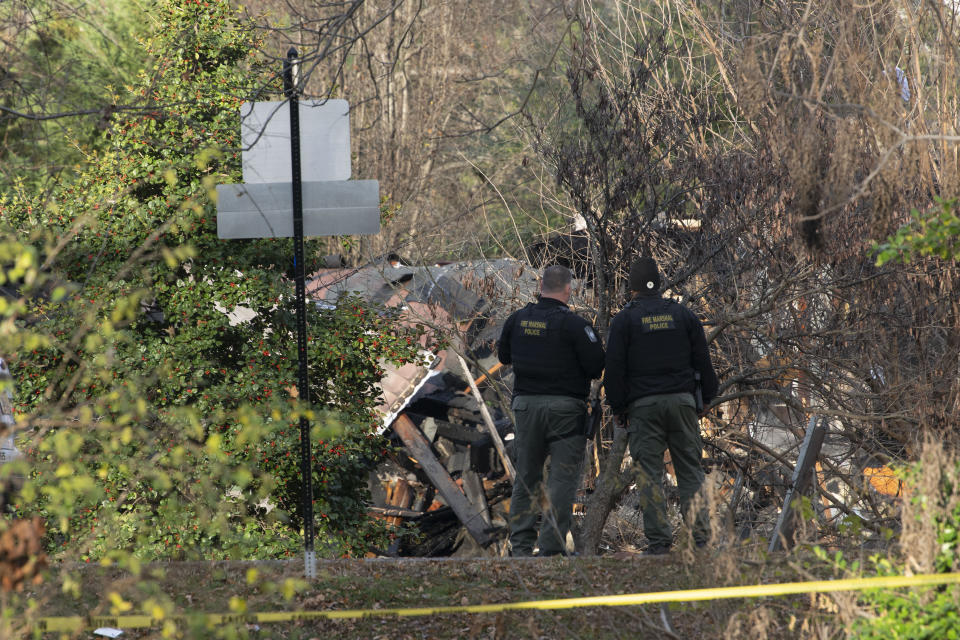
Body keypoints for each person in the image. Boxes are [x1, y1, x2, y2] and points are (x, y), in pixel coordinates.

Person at [605, 257, 719, 555]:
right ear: (660, 283)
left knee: (649, 474)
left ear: (632, 288)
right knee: (690, 471)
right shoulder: (683, 315)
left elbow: (614, 368)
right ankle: (702, 540)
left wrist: (618, 408)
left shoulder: (624, 320)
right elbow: (703, 360)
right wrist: (707, 397)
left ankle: (658, 544)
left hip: (643, 407)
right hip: (683, 403)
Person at [497, 265, 605, 557]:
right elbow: (597, 366)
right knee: (562, 480)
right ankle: (551, 548)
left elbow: (503, 356)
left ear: (540, 287)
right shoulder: (575, 325)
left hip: (526, 408)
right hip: (565, 410)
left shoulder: (517, 319)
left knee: (527, 476)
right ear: (568, 290)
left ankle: (519, 547)